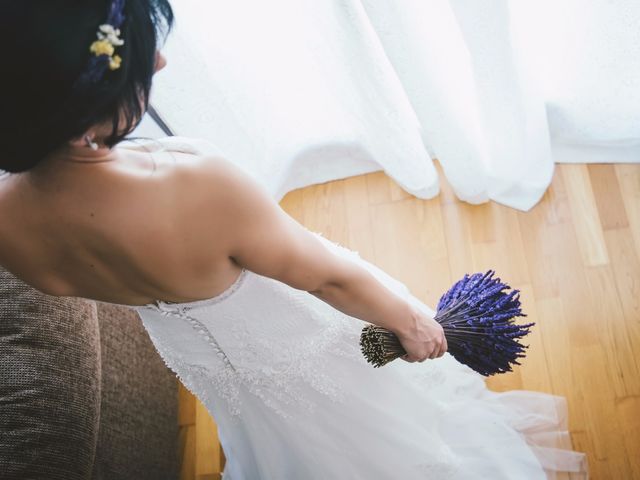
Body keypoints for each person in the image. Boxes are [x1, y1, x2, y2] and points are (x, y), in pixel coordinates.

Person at [0, 1, 588, 478]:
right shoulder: (193, 185)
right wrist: (411, 322)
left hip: (203, 360)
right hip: (297, 337)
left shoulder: (9, 218)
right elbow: (326, 276)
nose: (158, 63)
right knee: (383, 425)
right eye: (135, 59)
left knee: (293, 440)